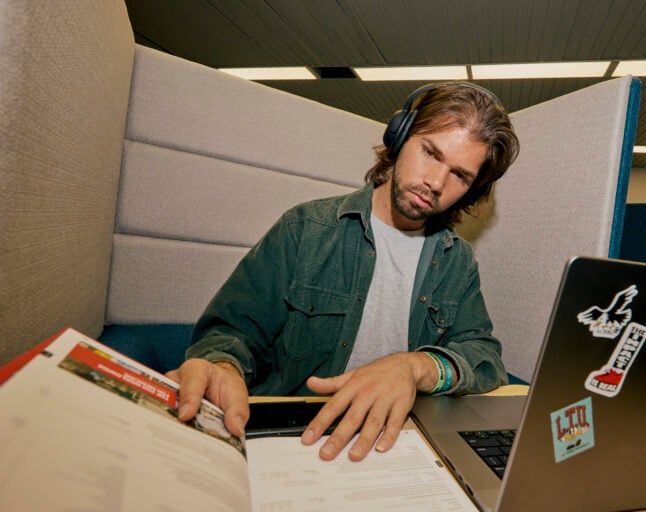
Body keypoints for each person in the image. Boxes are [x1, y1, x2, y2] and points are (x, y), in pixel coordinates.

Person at [166, 82, 520, 462]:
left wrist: (415, 366)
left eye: (460, 176)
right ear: (399, 137)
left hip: (395, 439)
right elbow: (233, 331)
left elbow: (484, 357)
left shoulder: (456, 260)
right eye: (430, 153)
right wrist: (224, 366)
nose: (436, 182)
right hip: (296, 437)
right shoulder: (305, 228)